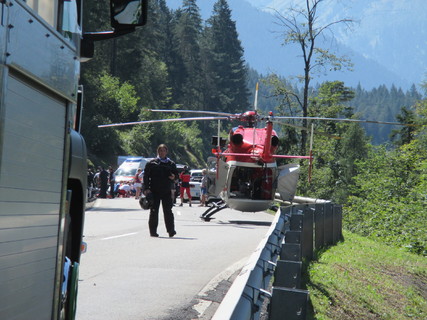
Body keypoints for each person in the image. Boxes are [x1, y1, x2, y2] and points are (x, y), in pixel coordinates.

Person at [143, 144, 178, 237]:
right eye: (160, 151)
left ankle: (171, 230)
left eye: (163, 151)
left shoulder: (171, 163)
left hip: (166, 190)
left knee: (168, 211)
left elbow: (177, 177)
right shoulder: (151, 163)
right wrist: (146, 189)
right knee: (154, 211)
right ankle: (153, 232)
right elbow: (146, 176)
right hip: (154, 190)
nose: (162, 152)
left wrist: (174, 177)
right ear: (157, 152)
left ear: (166, 152)